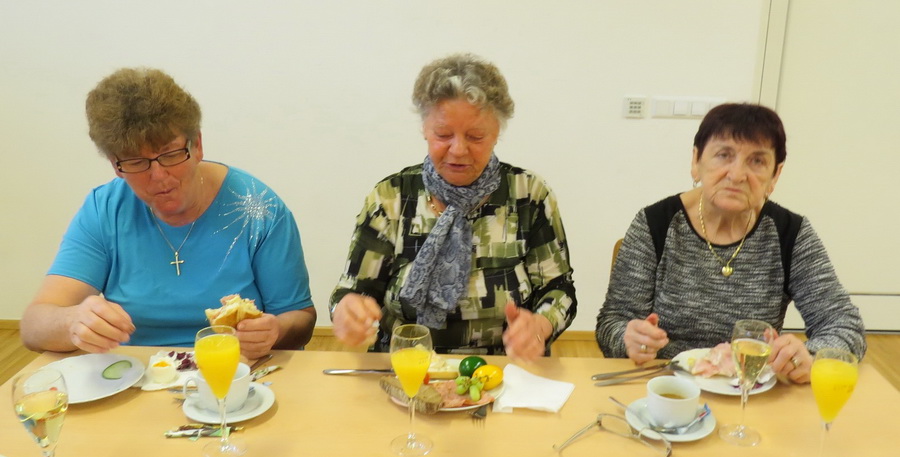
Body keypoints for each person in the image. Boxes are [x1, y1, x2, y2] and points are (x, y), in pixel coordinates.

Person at [20, 68, 316, 359]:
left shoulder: (257, 209)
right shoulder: (105, 210)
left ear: (197, 145)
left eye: (171, 154)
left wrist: (275, 331)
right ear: (115, 165)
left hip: (236, 369)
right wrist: (72, 322)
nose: (159, 176)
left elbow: (300, 319)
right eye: (136, 162)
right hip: (137, 373)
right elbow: (33, 327)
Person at [329, 53, 577, 360]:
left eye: (476, 136)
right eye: (443, 135)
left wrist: (540, 325)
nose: (458, 150)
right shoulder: (391, 198)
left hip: (507, 369)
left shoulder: (529, 195)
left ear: (497, 133)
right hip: (407, 366)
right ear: (424, 129)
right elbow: (351, 291)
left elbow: (559, 289)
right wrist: (347, 310)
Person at [596, 103, 866, 384]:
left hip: (750, 390)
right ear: (696, 161)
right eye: (723, 155)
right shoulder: (656, 224)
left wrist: (809, 356)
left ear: (775, 175)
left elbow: (845, 326)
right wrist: (629, 339)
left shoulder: (790, 233)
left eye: (757, 161)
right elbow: (612, 323)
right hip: (667, 386)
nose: (737, 175)